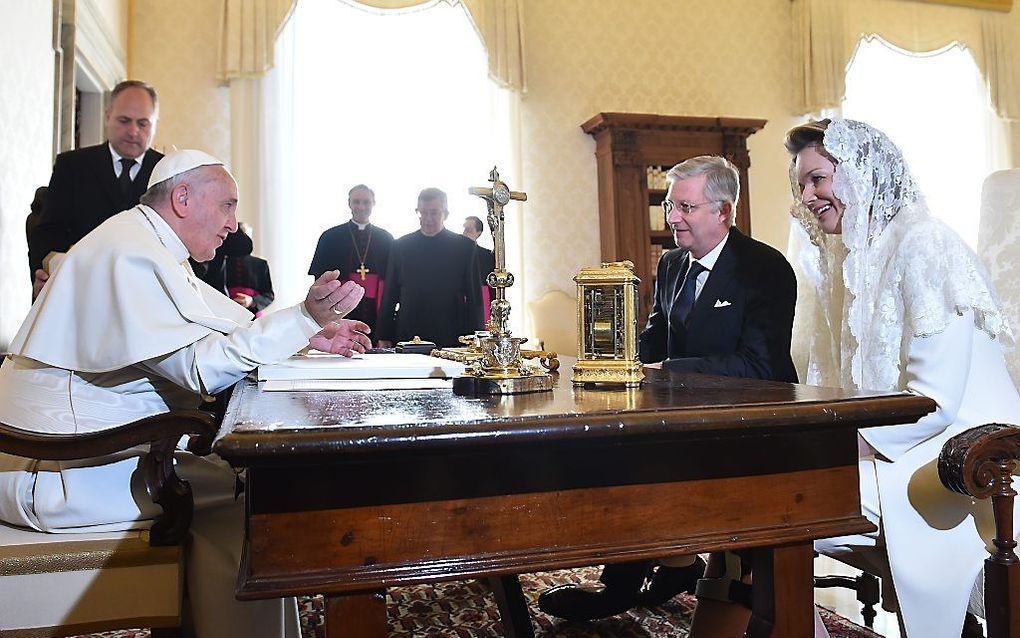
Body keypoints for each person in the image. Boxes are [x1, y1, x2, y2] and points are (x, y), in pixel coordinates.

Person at [0, 150, 371, 638]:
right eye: (227, 206)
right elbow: (198, 369)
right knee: (253, 495)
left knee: (237, 484)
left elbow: (223, 328)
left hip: (73, 452)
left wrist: (308, 334)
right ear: (182, 198)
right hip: (53, 470)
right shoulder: (129, 253)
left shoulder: (144, 245)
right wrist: (302, 320)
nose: (232, 226)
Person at [537, 155, 798, 623]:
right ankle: (673, 565)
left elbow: (761, 366)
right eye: (669, 205)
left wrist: (669, 369)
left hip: (747, 425)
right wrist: (616, 367)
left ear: (724, 211)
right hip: (680, 415)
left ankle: (620, 587)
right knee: (610, 443)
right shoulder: (673, 263)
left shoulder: (766, 268)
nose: (672, 217)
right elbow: (654, 338)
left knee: (637, 463)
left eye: (685, 207)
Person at [785, 118, 1020, 638]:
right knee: (765, 497)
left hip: (964, 458)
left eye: (818, 179)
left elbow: (934, 400)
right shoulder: (860, 257)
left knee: (777, 503)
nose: (807, 196)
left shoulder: (923, 243)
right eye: (801, 183)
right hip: (907, 446)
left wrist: (847, 447)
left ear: (860, 174)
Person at [30, 80, 164, 299]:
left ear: (155, 124)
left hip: (145, 294)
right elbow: (48, 231)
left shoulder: (167, 172)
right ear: (108, 116)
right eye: (124, 120)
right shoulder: (72, 165)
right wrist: (44, 273)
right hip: (81, 287)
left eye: (143, 123)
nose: (133, 131)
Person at [376, 188, 484, 348]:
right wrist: (383, 334)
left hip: (452, 333)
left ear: (446, 214)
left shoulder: (465, 247)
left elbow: (474, 297)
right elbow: (390, 294)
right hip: (409, 332)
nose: (428, 218)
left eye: (434, 213)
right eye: (423, 213)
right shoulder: (400, 246)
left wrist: (476, 337)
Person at [308, 184, 394, 339]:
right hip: (340, 312)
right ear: (349, 203)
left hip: (376, 314)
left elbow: (392, 284)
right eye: (356, 201)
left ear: (373, 204)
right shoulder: (330, 238)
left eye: (366, 202)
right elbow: (320, 282)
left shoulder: (386, 239)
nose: (361, 207)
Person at [195, 222, 275, 317]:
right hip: (224, 311)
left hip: (253, 314)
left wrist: (251, 301)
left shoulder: (261, 264)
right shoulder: (219, 259)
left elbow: (268, 295)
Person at [462, 215, 496, 324]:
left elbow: (491, 284)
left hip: (481, 297)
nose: (464, 233)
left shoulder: (487, 255)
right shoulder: (454, 253)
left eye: (469, 230)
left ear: (479, 233)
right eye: (464, 229)